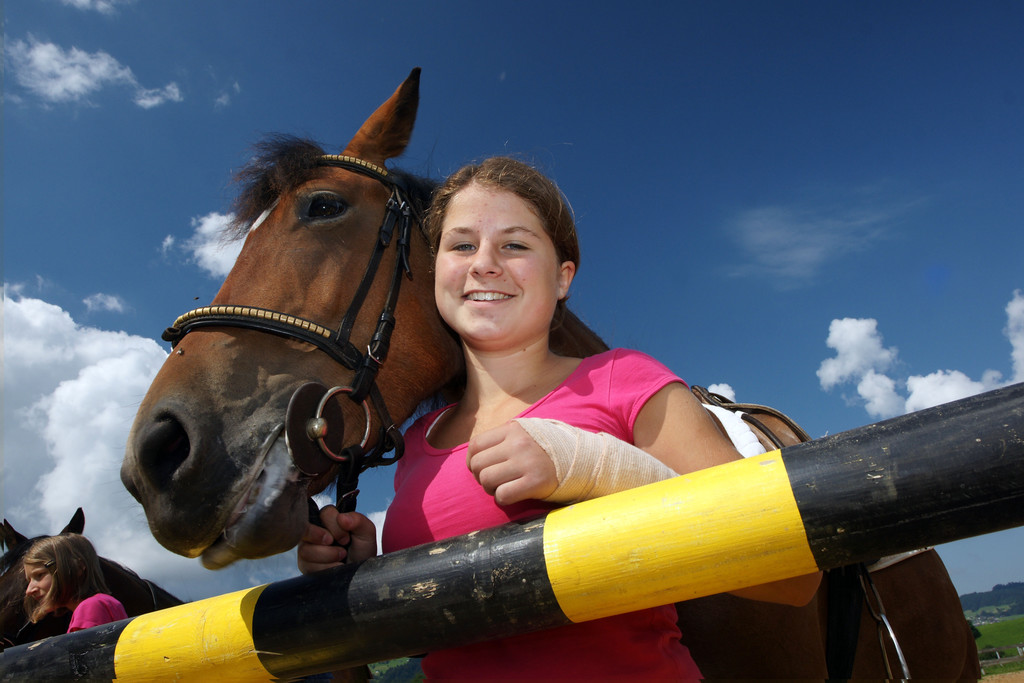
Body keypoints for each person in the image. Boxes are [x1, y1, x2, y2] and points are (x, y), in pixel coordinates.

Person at [298, 156, 821, 679]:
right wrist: (368, 578)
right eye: (461, 245)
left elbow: (793, 578)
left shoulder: (625, 379)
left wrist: (594, 469)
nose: (484, 263)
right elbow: (440, 638)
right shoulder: (416, 442)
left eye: (515, 245)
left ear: (563, 277)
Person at [23, 533, 127, 632]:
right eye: (29, 581)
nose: (29, 590)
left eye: (39, 575)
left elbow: (87, 651)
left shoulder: (90, 607)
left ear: (77, 568)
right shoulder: (106, 602)